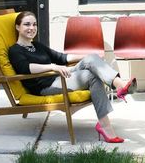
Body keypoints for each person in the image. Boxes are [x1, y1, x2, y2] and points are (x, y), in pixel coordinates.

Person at [9, 11, 136, 143]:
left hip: (59, 77)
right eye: (27, 24)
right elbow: (25, 68)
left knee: (92, 58)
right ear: (18, 27)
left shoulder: (37, 46)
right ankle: (106, 124)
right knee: (91, 76)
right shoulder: (14, 50)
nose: (32, 28)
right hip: (46, 86)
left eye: (34, 24)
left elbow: (62, 58)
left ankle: (119, 85)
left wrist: (88, 56)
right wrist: (52, 67)